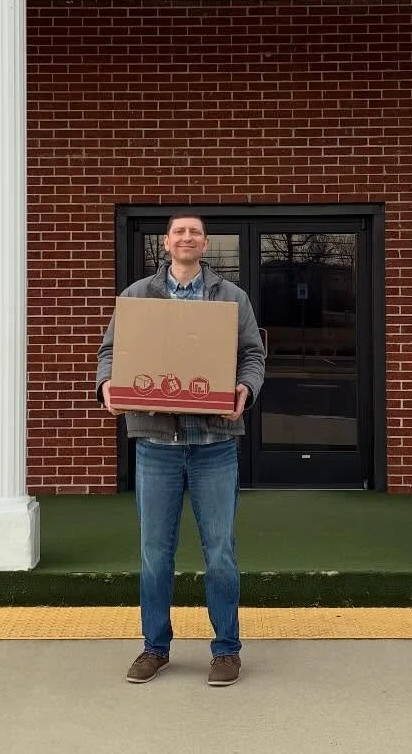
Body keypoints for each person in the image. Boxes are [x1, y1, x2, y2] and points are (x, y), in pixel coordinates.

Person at [96, 212, 265, 687]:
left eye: (194, 232)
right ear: (167, 243)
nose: (186, 238)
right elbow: (111, 351)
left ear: (205, 244)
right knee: (154, 553)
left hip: (214, 444)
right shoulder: (137, 297)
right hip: (156, 445)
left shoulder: (232, 298)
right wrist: (107, 383)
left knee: (221, 553)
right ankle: (154, 648)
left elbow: (253, 354)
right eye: (178, 232)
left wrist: (244, 391)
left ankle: (226, 651)